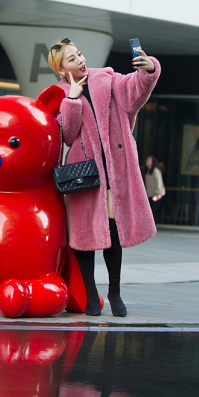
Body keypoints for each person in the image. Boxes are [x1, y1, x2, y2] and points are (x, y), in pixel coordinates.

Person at [48, 38, 161, 317]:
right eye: (72, 59)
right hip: (84, 176)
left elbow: (134, 91)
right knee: (86, 240)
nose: (80, 60)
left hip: (115, 171)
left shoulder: (107, 79)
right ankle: (89, 291)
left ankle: (114, 292)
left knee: (113, 234)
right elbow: (67, 135)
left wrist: (148, 72)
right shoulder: (60, 95)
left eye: (79, 54)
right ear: (62, 70)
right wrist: (72, 99)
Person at [144, 156, 166, 222]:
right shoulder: (147, 171)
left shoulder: (156, 171)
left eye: (149, 160)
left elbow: (158, 183)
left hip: (157, 194)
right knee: (150, 210)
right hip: (151, 194)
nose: (147, 161)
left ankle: (152, 225)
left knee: (152, 210)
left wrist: (157, 194)